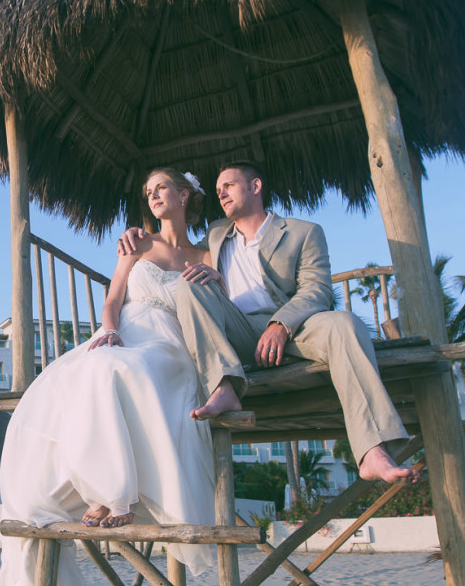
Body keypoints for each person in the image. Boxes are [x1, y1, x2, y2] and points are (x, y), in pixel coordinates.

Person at [0, 166, 218, 586]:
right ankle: (106, 489)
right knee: (94, 367)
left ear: (184, 196)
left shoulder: (209, 254)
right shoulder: (135, 244)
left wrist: (215, 279)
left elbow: (220, 305)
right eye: (148, 192)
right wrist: (111, 329)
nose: (154, 196)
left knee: (122, 373)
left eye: (162, 188)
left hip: (172, 344)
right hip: (130, 329)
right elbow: (114, 298)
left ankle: (115, 493)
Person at [119, 160, 416, 484]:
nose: (221, 195)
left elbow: (316, 290)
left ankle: (373, 450)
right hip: (238, 330)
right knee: (190, 282)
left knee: (344, 322)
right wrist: (137, 233)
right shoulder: (216, 235)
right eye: (217, 191)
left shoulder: (304, 232)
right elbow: (173, 242)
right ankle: (224, 385)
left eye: (228, 186)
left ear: (255, 187)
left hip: (296, 328)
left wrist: (281, 325)